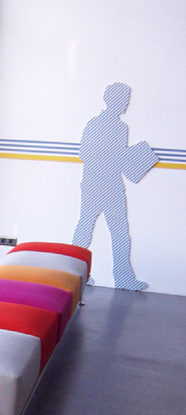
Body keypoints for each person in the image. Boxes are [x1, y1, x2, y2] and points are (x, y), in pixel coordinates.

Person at [72, 82, 158, 290]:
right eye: (124, 99)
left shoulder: (119, 127)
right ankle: (75, 272)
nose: (127, 103)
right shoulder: (98, 124)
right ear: (113, 100)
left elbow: (112, 156)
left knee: (116, 233)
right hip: (98, 184)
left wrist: (123, 157)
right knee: (88, 229)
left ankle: (120, 278)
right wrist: (119, 157)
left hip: (108, 185)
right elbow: (85, 153)